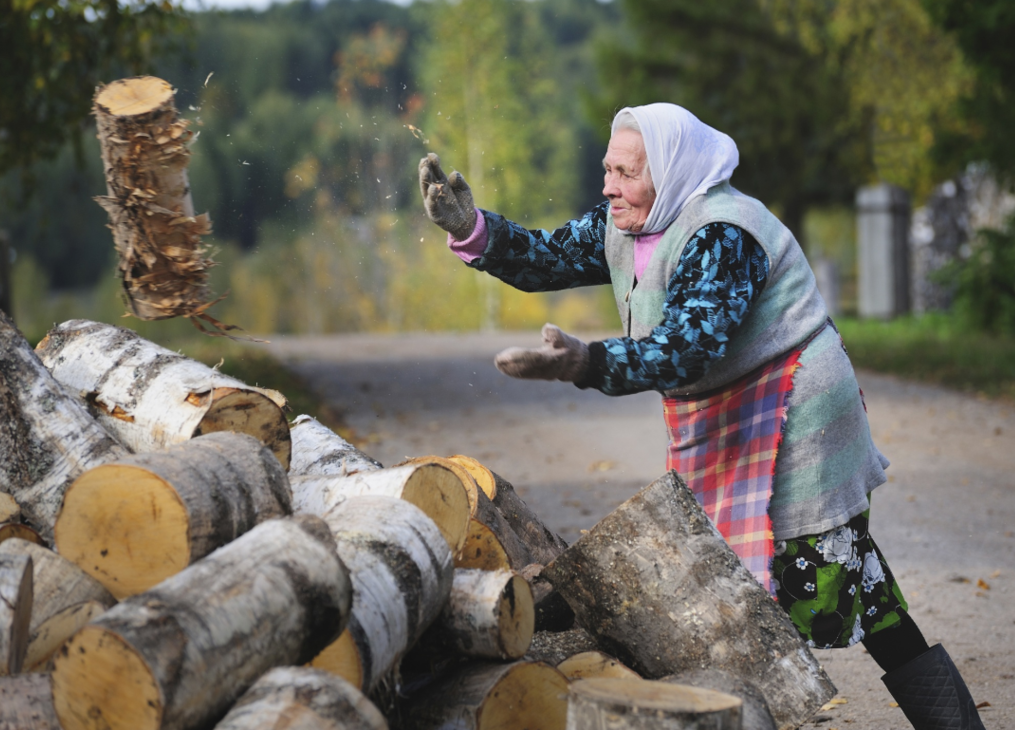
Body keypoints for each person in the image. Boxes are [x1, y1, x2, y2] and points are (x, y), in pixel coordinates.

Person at [418, 102, 985, 730]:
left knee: (798, 578)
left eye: (626, 173)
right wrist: (474, 229)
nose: (608, 185)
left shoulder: (724, 231)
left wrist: (587, 363)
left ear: (672, 171)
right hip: (733, 409)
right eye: (608, 169)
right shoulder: (628, 223)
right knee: (769, 579)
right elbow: (550, 256)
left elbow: (690, 348)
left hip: (794, 412)